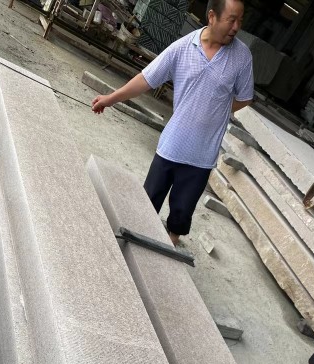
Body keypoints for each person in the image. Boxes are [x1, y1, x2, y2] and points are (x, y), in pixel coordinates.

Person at [91, 0, 253, 246]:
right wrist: (110, 98)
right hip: (172, 145)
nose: (236, 27)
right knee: (146, 205)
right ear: (212, 17)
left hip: (202, 155)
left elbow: (244, 97)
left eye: (240, 20)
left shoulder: (241, 57)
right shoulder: (183, 48)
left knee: (180, 215)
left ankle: (169, 249)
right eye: (231, 20)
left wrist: (216, 109)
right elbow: (146, 79)